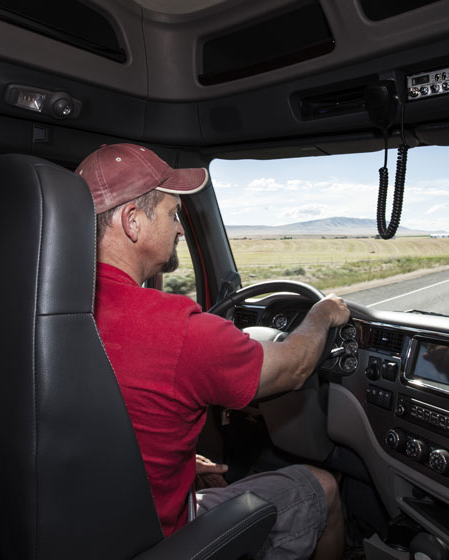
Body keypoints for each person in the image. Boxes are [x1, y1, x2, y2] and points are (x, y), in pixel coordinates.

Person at [75, 143, 350, 559]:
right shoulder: (179, 329)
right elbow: (293, 368)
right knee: (323, 488)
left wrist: (177, 467)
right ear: (133, 222)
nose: (181, 229)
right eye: (172, 214)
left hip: (85, 524)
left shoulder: (51, 308)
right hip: (161, 541)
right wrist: (322, 314)